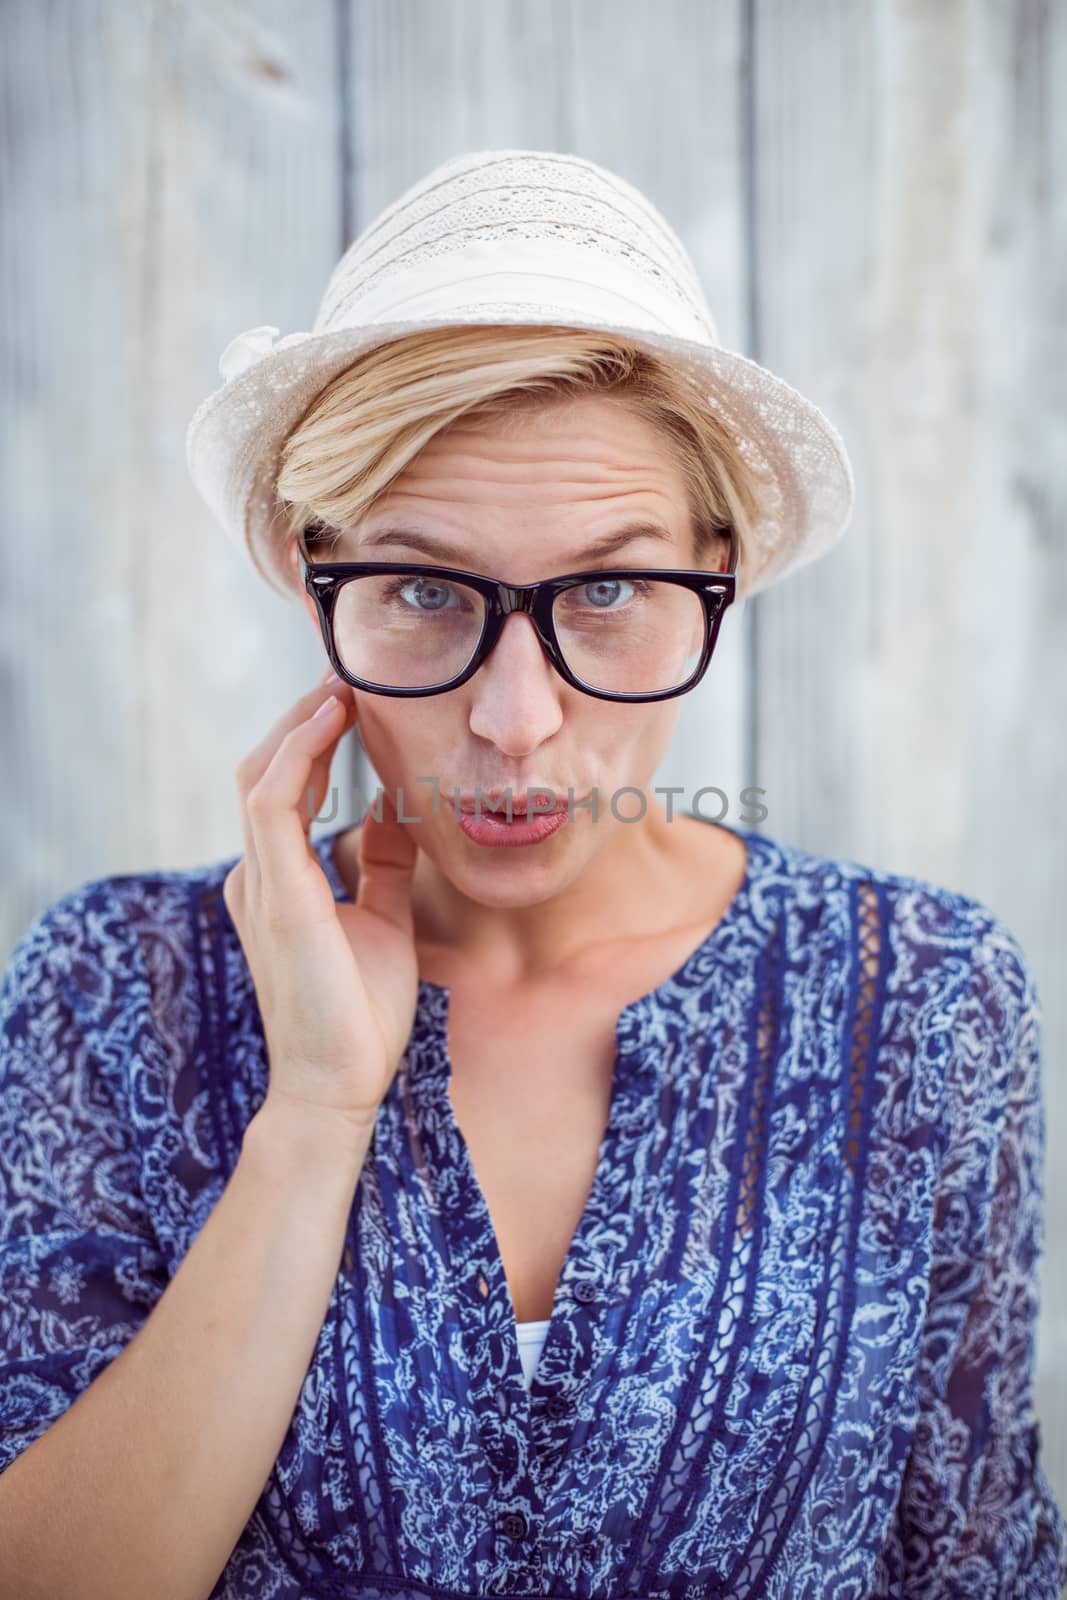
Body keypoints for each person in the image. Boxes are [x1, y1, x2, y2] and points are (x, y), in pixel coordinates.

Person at [0, 148, 1063, 1600]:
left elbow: (979, 1561)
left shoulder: (923, 997)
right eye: (426, 591)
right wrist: (314, 1114)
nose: (515, 722)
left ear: (722, 571)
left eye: (610, 591)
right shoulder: (119, 985)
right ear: (319, 583)